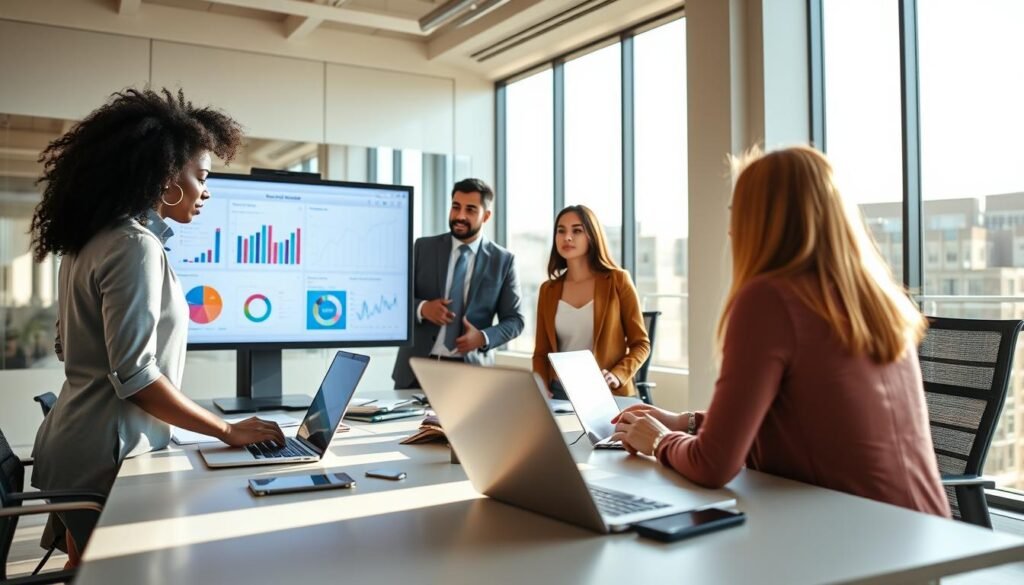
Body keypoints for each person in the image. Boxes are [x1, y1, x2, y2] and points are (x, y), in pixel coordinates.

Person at [611, 146, 950, 517]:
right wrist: (686, 422)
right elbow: (804, 416)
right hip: (922, 532)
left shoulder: (770, 298)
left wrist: (659, 441)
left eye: (737, 212)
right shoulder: (874, 299)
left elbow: (713, 465)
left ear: (761, 220)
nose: (730, 227)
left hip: (857, 540)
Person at [29, 88, 287, 566]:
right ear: (168, 177)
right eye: (201, 176)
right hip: (105, 460)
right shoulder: (134, 245)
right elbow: (137, 377)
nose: (206, 190)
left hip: (72, 448)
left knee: (81, 567)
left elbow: (72, 348)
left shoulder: (91, 240)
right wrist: (225, 429)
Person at [391, 178, 525, 389]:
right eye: (456, 207)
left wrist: (482, 338)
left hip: (471, 374)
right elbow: (395, 297)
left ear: (486, 216)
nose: (460, 216)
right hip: (416, 371)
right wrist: (423, 308)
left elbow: (515, 321)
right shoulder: (423, 248)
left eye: (470, 210)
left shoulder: (503, 261)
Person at [532, 205, 650, 398]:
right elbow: (541, 353)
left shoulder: (617, 280)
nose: (567, 237)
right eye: (561, 231)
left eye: (577, 230)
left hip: (607, 390)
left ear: (592, 236)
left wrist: (617, 375)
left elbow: (641, 344)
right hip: (559, 391)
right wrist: (541, 386)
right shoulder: (548, 290)